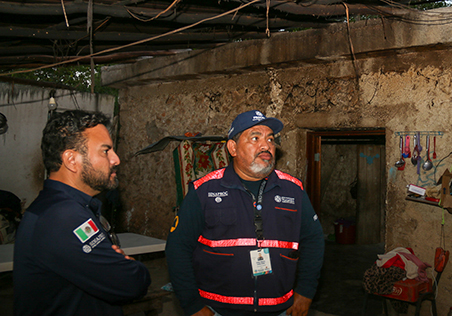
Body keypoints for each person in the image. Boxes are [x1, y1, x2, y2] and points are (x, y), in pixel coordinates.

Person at [166, 110, 325, 316]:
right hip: (217, 310)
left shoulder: (293, 190)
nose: (266, 145)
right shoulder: (204, 191)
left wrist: (306, 291)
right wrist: (192, 305)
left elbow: (314, 240)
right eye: (255, 137)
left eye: (270, 139)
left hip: (280, 309)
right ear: (233, 147)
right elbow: (177, 249)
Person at [13, 110, 151, 316]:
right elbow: (131, 283)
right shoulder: (62, 216)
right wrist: (130, 267)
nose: (116, 159)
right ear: (71, 159)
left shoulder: (63, 207)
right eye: (105, 151)